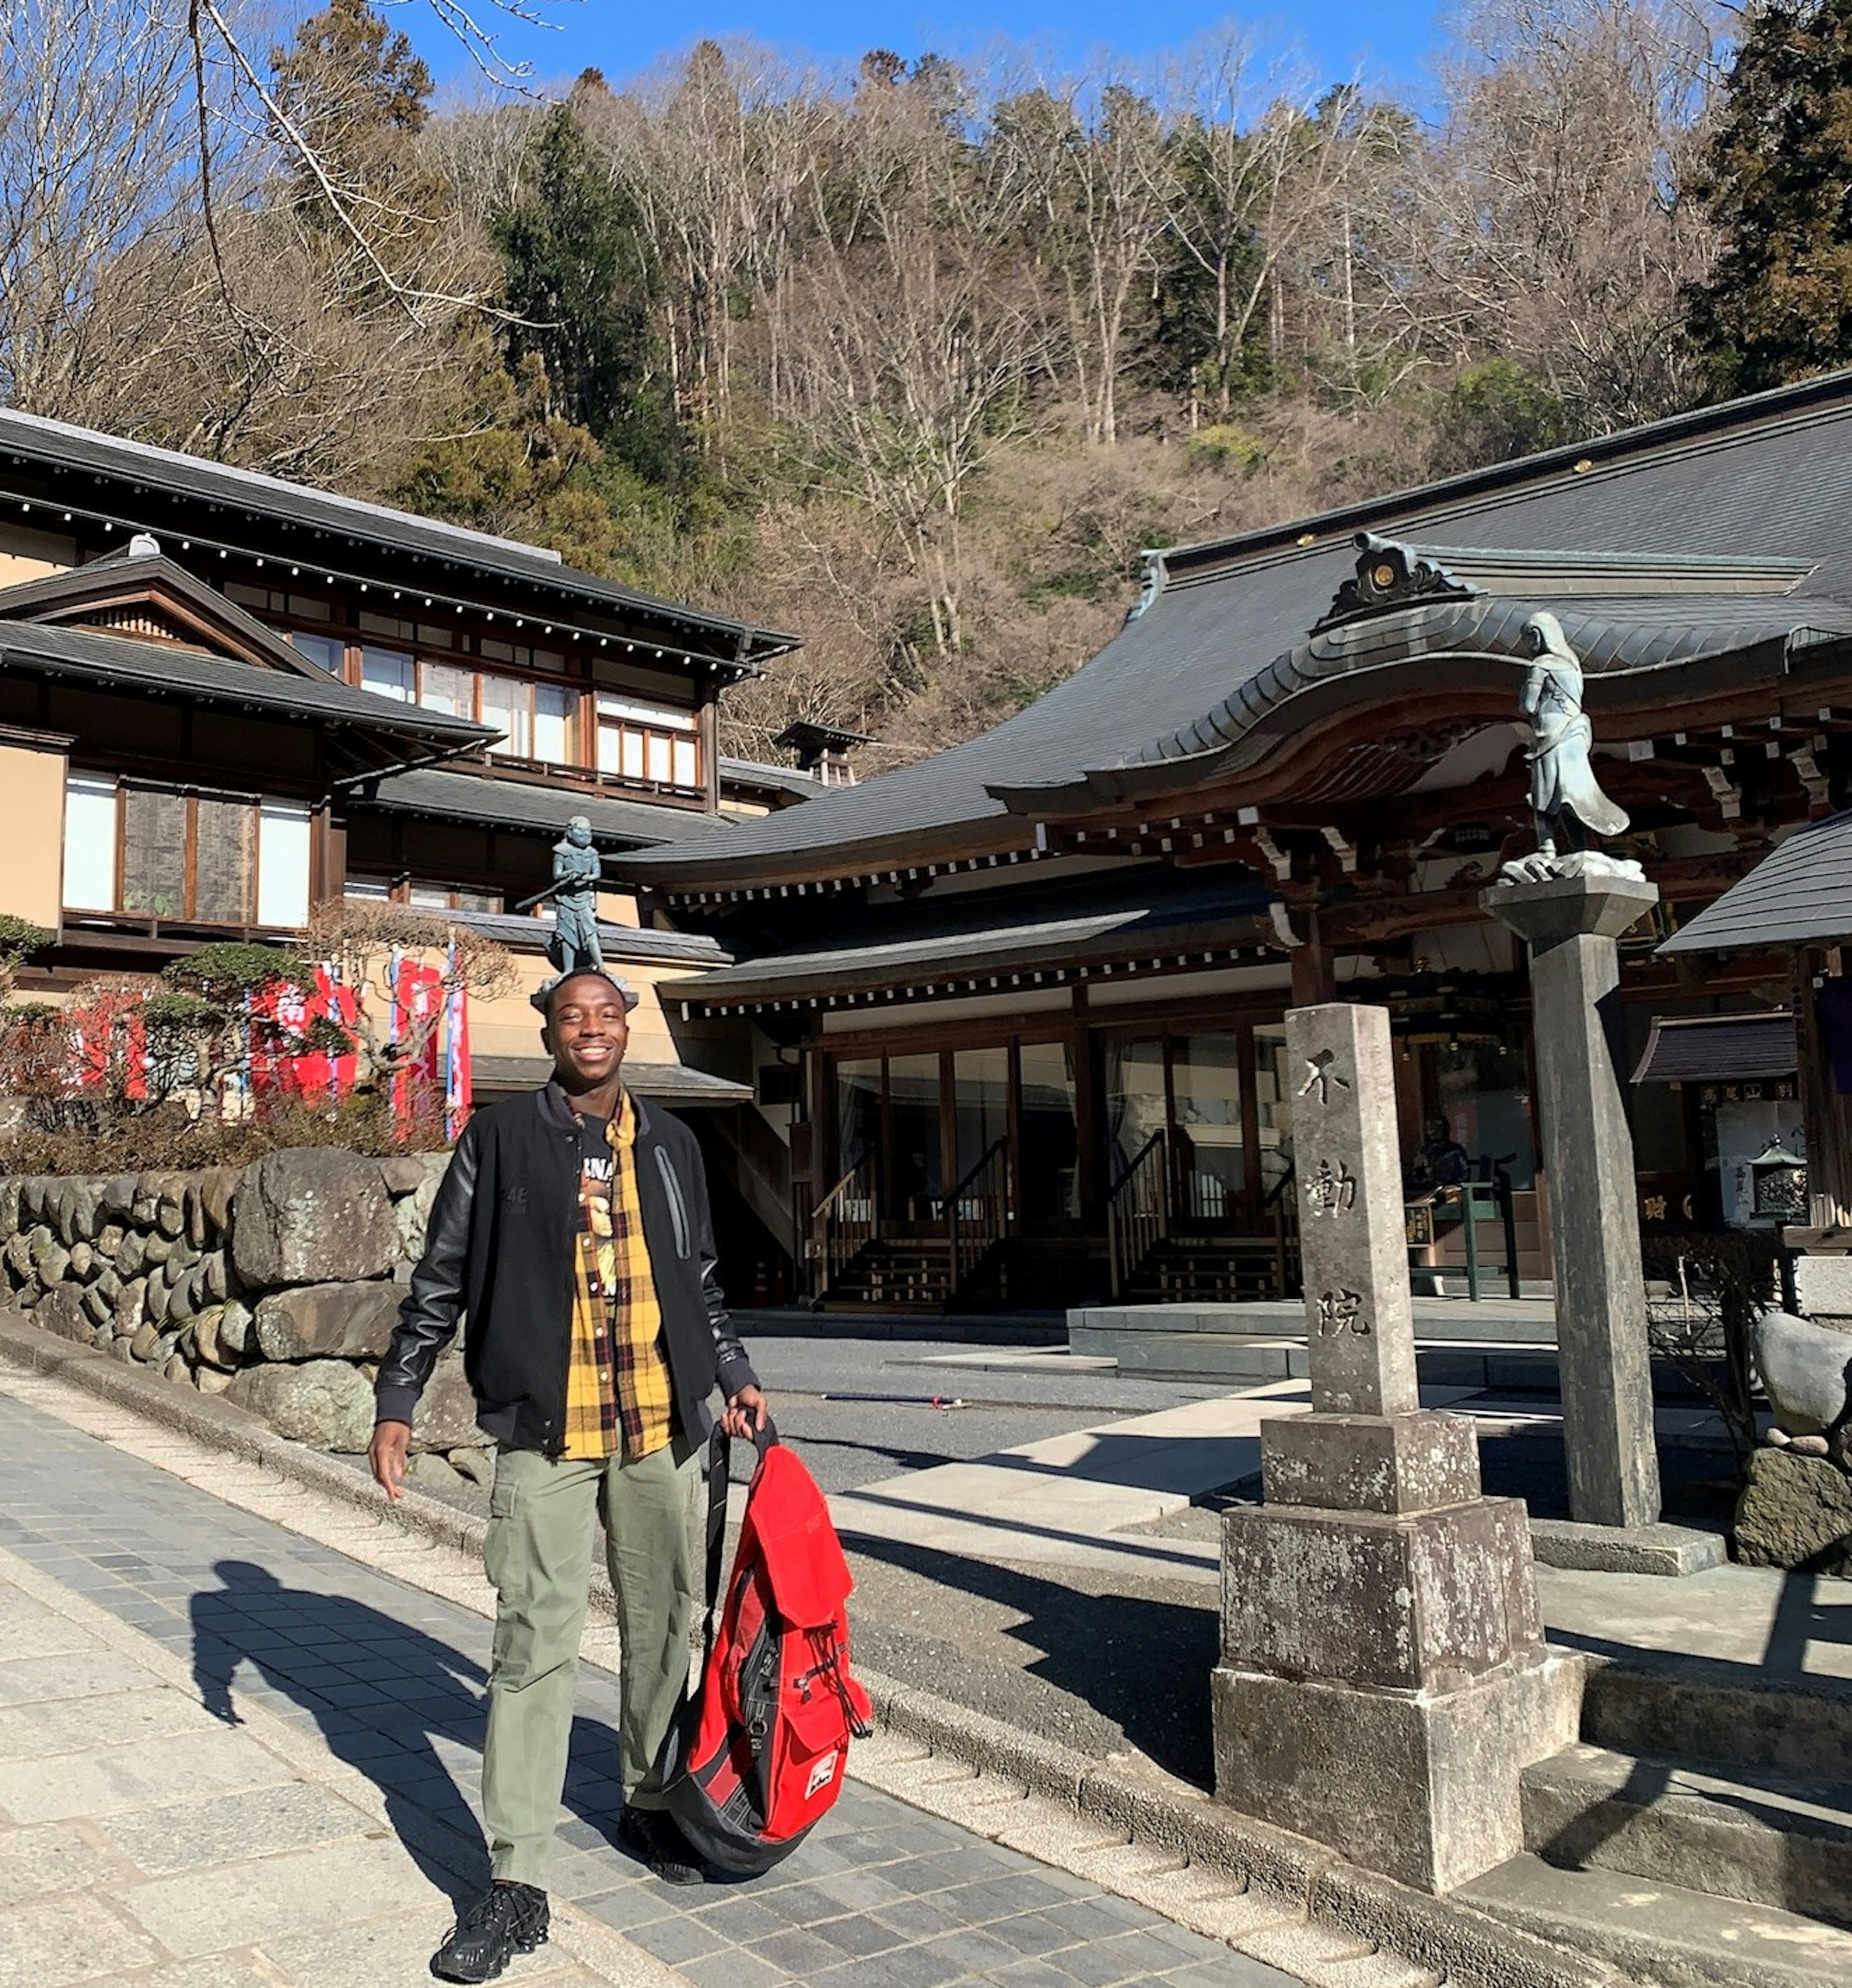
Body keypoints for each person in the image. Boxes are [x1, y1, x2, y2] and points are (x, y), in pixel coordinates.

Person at [369, 967, 767, 1985]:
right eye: (571, 1017)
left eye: (606, 1015)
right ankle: (514, 1881)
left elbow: (703, 1285)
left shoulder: (673, 1146)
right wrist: (398, 1398)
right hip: (547, 1434)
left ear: (627, 1030)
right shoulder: (500, 1141)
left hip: (661, 1430)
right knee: (531, 1646)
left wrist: (733, 1374)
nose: (590, 1030)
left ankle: (646, 1799)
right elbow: (441, 1278)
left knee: (662, 1623)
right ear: (549, 1031)